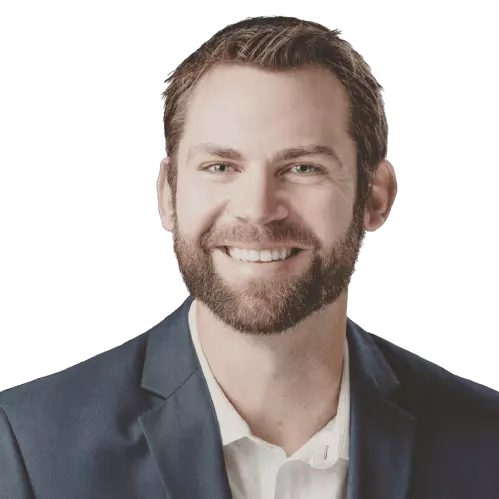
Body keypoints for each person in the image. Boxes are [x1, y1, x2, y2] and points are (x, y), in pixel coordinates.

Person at [1, 16, 498, 499]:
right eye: (221, 166)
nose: (258, 210)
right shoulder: (34, 449)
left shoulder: (485, 444)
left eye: (303, 167)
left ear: (376, 196)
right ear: (167, 194)